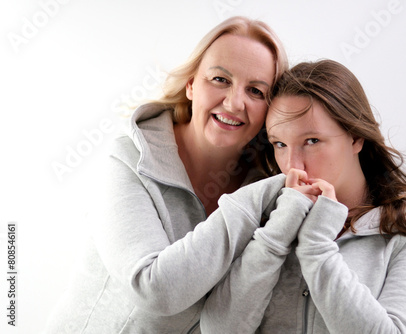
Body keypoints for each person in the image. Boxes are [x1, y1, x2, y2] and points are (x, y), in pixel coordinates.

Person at [44, 16, 288, 334]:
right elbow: (154, 289)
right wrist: (258, 199)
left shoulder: (266, 193)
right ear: (191, 84)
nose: (234, 102)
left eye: (255, 90)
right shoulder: (130, 157)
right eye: (220, 80)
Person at [200, 59, 406, 333]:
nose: (294, 165)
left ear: (355, 137)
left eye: (312, 141)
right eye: (280, 144)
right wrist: (275, 236)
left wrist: (316, 248)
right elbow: (218, 329)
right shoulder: (264, 215)